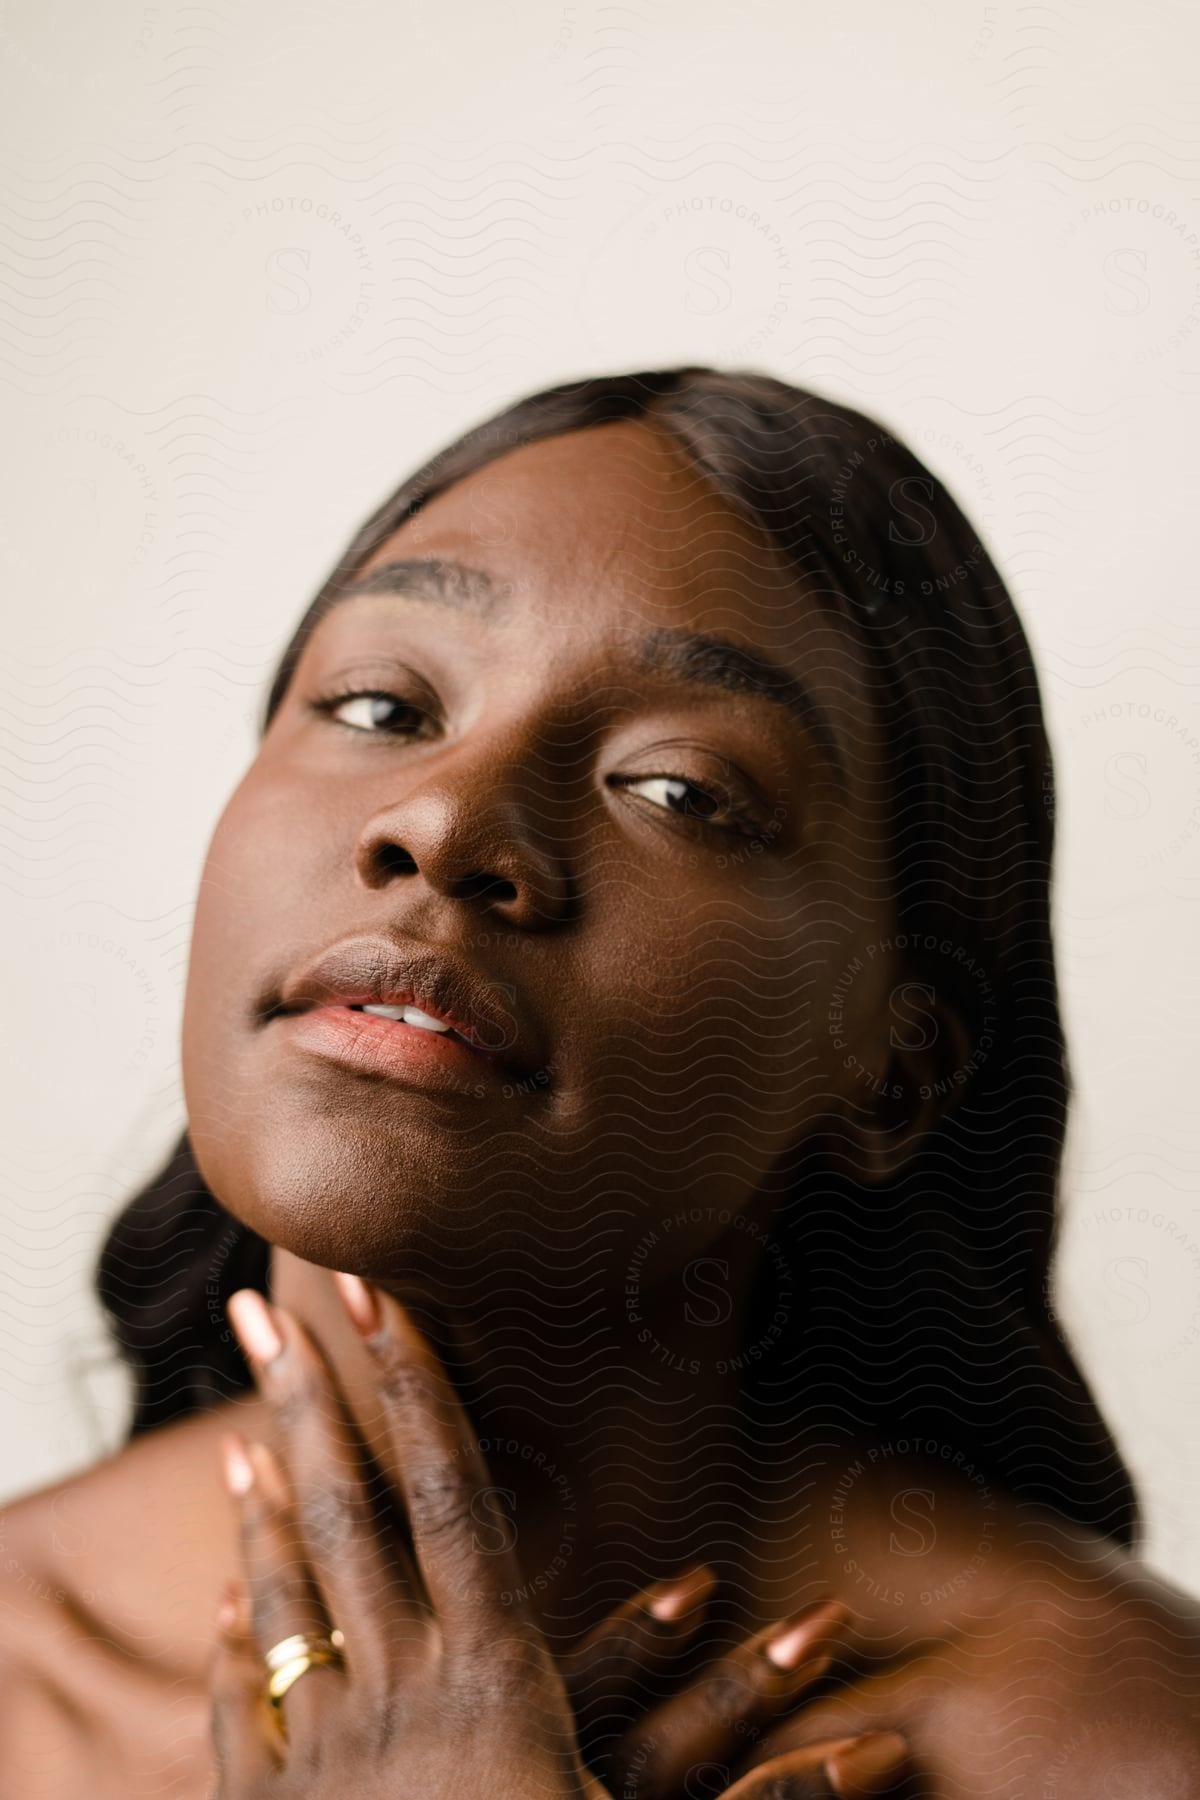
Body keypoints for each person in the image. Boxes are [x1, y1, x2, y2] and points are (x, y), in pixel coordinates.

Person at [3, 365, 1198, 1798]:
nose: (443, 821)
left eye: (680, 789)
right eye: (382, 706)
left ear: (892, 1069)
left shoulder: (1119, 1750)